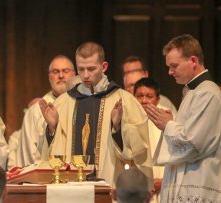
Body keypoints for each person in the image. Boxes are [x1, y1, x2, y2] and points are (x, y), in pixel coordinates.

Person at [144, 34, 221, 203]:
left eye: (174, 65)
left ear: (193, 60)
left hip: (199, 194)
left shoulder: (208, 94)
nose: (169, 71)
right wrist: (170, 124)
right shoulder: (192, 93)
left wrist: (168, 125)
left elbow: (194, 143)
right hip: (187, 191)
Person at [40, 42, 153, 185]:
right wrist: (52, 128)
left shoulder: (124, 101)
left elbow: (140, 152)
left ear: (104, 67)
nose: (85, 75)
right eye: (81, 69)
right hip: (71, 189)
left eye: (91, 69)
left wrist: (117, 128)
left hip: (111, 185)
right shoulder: (63, 103)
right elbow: (47, 157)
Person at [16, 55, 76, 167]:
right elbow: (28, 152)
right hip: (45, 176)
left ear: (74, 75)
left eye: (65, 71)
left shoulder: (81, 105)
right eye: (56, 71)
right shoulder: (35, 111)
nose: (61, 76)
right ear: (49, 77)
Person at [133, 77, 168, 203]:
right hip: (137, 190)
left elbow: (175, 157)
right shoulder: (128, 123)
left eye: (149, 96)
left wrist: (163, 181)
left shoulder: (168, 124)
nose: (144, 101)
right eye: (140, 96)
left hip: (161, 188)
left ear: (158, 99)